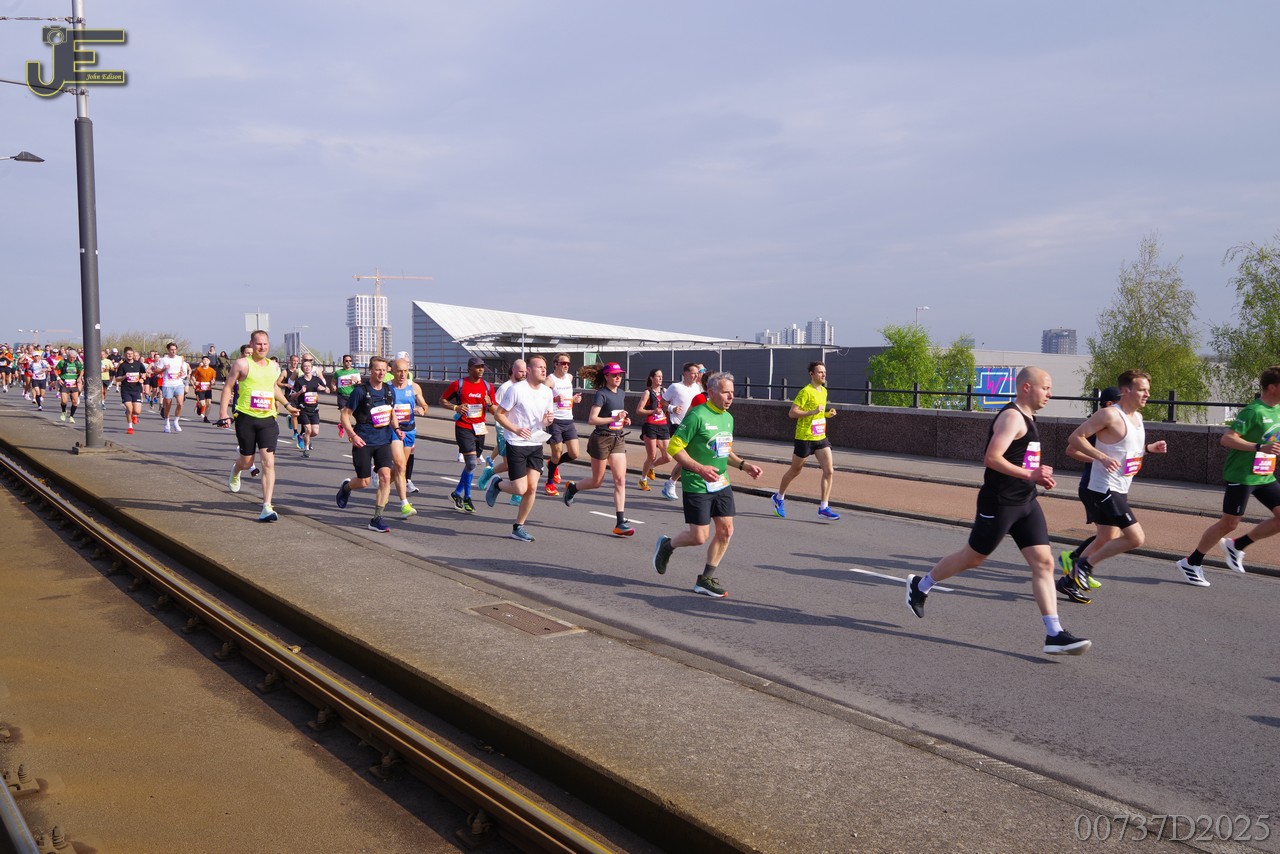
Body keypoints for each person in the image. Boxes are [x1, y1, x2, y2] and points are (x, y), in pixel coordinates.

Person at [903, 366, 1091, 656]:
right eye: (1045, 388)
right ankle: (921, 584)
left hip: (1026, 502)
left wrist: (1035, 474)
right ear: (1026, 387)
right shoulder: (1012, 417)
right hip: (1000, 503)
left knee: (1044, 564)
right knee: (973, 558)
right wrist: (1030, 474)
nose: (1050, 394)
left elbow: (1020, 460)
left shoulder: (1029, 417)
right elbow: (992, 458)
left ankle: (1054, 633)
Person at [1056, 372, 1167, 604]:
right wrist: (1101, 457)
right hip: (1103, 488)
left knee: (1107, 536)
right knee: (1136, 538)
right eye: (1142, 389)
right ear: (1125, 391)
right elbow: (1075, 438)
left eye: (1148, 390)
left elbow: (1127, 452)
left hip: (1121, 487)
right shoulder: (1109, 414)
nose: (1147, 394)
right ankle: (1084, 567)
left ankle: (1070, 581)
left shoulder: (1138, 417)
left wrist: (1148, 449)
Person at [651, 372, 763, 597]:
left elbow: (724, 451)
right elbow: (674, 447)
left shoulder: (728, 418)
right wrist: (700, 468)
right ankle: (667, 546)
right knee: (699, 537)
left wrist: (744, 465)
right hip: (697, 482)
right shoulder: (697, 415)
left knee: (726, 530)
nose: (731, 397)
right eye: (725, 392)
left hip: (721, 482)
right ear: (711, 393)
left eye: (732, 392)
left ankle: (705, 579)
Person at [1176, 365, 1280, 585]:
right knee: (1229, 523)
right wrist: (1259, 447)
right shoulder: (1254, 411)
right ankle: (1191, 562)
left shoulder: (1277, 409)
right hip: (1241, 475)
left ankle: (1237, 545)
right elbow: (1227, 439)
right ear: (1272, 387)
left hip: (1264, 475)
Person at [217, 330, 299, 522]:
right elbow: (228, 387)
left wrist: (287, 405)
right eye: (258, 344)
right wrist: (223, 414)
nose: (262, 347)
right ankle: (236, 470)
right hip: (246, 417)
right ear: (252, 345)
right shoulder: (242, 364)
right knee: (247, 462)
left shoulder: (274, 366)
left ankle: (267, 507)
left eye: (265, 344)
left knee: (268, 462)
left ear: (269, 345)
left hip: (268, 419)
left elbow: (273, 387)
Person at [485, 354, 555, 542]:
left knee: (532, 489)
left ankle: (518, 527)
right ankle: (497, 484)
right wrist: (516, 429)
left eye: (545, 367)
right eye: (540, 367)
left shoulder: (547, 392)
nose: (544, 370)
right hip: (516, 443)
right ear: (529, 370)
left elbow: (545, 420)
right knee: (520, 489)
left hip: (536, 443)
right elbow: (499, 415)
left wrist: (548, 420)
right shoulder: (516, 390)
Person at [562, 362, 635, 536]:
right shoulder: (601, 394)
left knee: (620, 480)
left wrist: (623, 420)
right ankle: (573, 488)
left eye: (620, 375)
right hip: (601, 439)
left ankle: (620, 522)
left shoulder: (621, 393)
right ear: (606, 376)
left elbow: (615, 415)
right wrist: (614, 419)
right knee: (597, 481)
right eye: (614, 375)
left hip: (618, 439)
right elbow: (592, 419)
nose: (618, 377)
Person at [335, 356, 403, 533]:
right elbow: (345, 415)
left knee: (385, 477)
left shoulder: (389, 390)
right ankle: (346, 487)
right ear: (370, 370)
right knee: (364, 482)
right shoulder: (360, 391)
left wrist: (397, 429)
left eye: (384, 370)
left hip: (383, 440)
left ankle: (376, 518)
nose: (381, 373)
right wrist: (353, 435)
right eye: (377, 369)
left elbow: (391, 413)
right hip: (363, 441)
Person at [770, 361, 841, 521]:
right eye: (820, 372)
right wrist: (812, 411)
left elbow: (819, 413)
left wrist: (827, 414)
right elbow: (792, 413)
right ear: (811, 374)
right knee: (795, 470)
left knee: (829, 471)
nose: (823, 374)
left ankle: (823, 507)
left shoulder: (823, 391)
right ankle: (779, 497)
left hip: (820, 437)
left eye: (824, 372)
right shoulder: (805, 392)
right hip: (804, 437)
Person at [440, 356, 496, 513]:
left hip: (480, 428)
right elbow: (442, 400)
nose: (481, 369)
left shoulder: (488, 387)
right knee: (471, 463)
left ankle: (457, 493)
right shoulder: (459, 384)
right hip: (463, 427)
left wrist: (490, 403)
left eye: (482, 367)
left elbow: (494, 410)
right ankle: (467, 498)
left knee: (472, 464)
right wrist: (455, 407)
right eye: (477, 367)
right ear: (469, 369)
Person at [477, 360, 528, 506]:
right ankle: (516, 495)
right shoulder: (506, 388)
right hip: (505, 429)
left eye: (525, 371)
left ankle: (489, 473)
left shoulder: (525, 387)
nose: (524, 374)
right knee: (511, 464)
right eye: (521, 371)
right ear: (513, 371)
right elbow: (496, 410)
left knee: (511, 464)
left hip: (521, 431)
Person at [389, 358, 429, 519]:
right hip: (393, 430)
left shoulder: (414, 387)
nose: (402, 374)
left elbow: (425, 405)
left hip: (409, 430)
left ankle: (383, 483)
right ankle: (404, 504)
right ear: (392, 371)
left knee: (401, 467)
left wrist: (422, 409)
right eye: (399, 371)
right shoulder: (387, 388)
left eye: (405, 371)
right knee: (400, 465)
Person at [660, 363, 703, 500]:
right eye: (693, 373)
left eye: (697, 373)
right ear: (685, 374)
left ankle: (671, 483)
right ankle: (672, 484)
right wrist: (671, 408)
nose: (695, 376)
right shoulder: (675, 387)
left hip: (693, 427)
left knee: (689, 458)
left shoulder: (697, 387)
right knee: (685, 458)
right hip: (678, 426)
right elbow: (663, 401)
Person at [545, 353, 582, 496]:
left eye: (568, 363)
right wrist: (555, 399)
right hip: (555, 421)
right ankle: (549, 483)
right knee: (557, 453)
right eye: (563, 363)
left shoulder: (569, 377)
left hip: (568, 420)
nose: (566, 366)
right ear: (555, 364)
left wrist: (574, 399)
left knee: (574, 453)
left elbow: (567, 399)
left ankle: (552, 464)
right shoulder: (550, 380)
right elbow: (541, 398)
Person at [636, 368, 671, 492]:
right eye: (658, 376)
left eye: (661, 376)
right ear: (652, 378)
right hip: (650, 426)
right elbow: (639, 410)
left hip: (663, 426)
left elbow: (669, 405)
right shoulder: (647, 392)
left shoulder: (665, 391)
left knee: (668, 457)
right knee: (652, 455)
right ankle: (643, 480)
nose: (660, 378)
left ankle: (651, 467)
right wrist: (653, 411)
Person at [290, 355, 326, 458]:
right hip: (303, 409)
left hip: (314, 409)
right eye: (305, 366)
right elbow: (292, 396)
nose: (307, 368)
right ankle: (306, 449)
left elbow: (326, 388)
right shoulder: (299, 381)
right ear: (302, 368)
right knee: (308, 430)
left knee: (315, 432)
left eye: (309, 366)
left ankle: (304, 436)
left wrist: (324, 389)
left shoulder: (316, 379)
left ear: (311, 368)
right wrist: (300, 391)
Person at [110, 346, 147, 434]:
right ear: (125, 355)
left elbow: (144, 373)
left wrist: (142, 379)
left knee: (137, 411)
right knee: (129, 409)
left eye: (131, 354)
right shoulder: (122, 366)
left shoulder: (138, 364)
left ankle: (133, 415)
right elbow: (117, 379)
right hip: (126, 390)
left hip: (137, 389)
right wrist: (124, 376)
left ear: (133, 354)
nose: (130, 355)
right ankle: (130, 427)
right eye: (128, 354)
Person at [156, 341, 190, 432]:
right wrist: (164, 368)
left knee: (180, 404)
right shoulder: (163, 360)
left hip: (178, 384)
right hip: (168, 384)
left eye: (175, 349)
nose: (173, 351)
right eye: (171, 349)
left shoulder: (180, 359)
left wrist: (182, 373)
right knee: (168, 404)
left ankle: (176, 422)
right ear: (168, 350)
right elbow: (156, 371)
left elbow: (182, 370)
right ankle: (167, 423)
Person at [330, 354, 362, 439]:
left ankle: (342, 425)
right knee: (344, 415)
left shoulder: (355, 372)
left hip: (352, 396)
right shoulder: (338, 372)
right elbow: (333, 381)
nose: (348, 362)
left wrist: (356, 381)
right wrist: (333, 386)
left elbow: (360, 385)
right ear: (343, 362)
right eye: (346, 361)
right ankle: (350, 435)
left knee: (349, 416)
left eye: (350, 361)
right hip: (342, 396)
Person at [54, 348, 84, 424]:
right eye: (71, 357)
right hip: (64, 383)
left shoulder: (77, 363)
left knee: (75, 401)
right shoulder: (63, 362)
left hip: (74, 383)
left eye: (74, 358)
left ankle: (71, 416)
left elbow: (81, 370)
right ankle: (63, 411)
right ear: (68, 356)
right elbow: (55, 370)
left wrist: (80, 377)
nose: (72, 359)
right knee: (64, 401)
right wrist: (58, 378)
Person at [190, 355, 218, 422]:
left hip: (208, 388)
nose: (205, 361)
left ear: (209, 361)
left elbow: (213, 379)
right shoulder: (198, 369)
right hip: (200, 388)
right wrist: (195, 381)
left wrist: (213, 381)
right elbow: (193, 376)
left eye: (207, 360)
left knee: (209, 403)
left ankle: (206, 417)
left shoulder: (212, 370)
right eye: (204, 360)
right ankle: (199, 406)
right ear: (202, 361)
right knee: (203, 403)